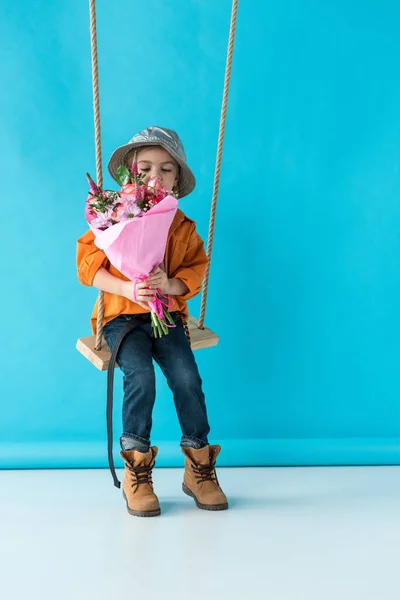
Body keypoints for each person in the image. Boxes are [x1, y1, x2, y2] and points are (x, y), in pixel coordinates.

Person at [77, 126, 228, 517]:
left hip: (167, 315)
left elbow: (196, 269)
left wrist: (170, 283)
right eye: (145, 168)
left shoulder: (182, 226)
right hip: (122, 317)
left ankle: (199, 466)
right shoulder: (112, 214)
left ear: (177, 179)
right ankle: (136, 469)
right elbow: (88, 264)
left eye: (166, 170)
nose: (154, 177)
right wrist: (127, 289)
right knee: (140, 376)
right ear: (129, 173)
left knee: (186, 377)